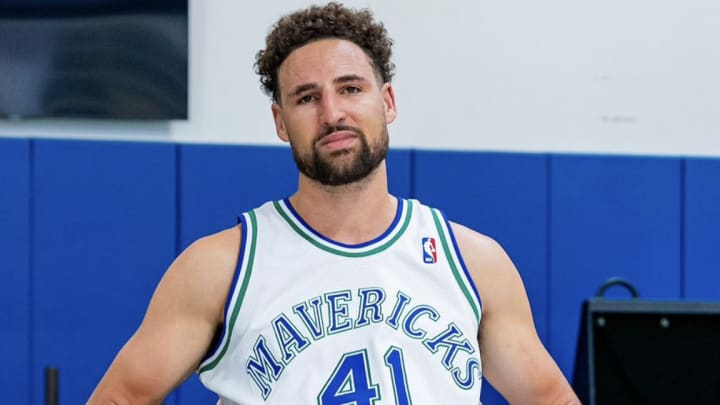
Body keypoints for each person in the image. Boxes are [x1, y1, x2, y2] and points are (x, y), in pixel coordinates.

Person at [89, 3, 580, 404]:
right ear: (281, 123)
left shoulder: (473, 262)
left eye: (350, 88)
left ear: (387, 101)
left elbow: (549, 398)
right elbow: (118, 398)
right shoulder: (221, 266)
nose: (332, 113)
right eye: (306, 98)